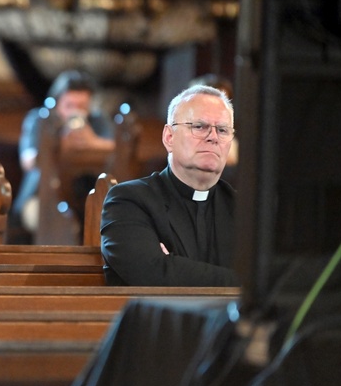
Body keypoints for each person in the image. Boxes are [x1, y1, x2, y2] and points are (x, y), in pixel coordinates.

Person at [101, 84, 240, 286]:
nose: (213, 137)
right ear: (169, 137)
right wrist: (238, 280)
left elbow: (270, 280)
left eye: (222, 130)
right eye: (199, 126)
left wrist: (175, 265)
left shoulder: (242, 209)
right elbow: (154, 273)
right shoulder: (128, 201)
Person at [12, 70, 115, 234]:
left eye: (82, 106)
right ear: (56, 103)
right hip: (41, 196)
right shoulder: (39, 120)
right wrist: (59, 145)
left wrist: (92, 141)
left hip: (87, 196)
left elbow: (116, 149)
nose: (76, 112)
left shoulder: (97, 120)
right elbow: (28, 161)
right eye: (69, 106)